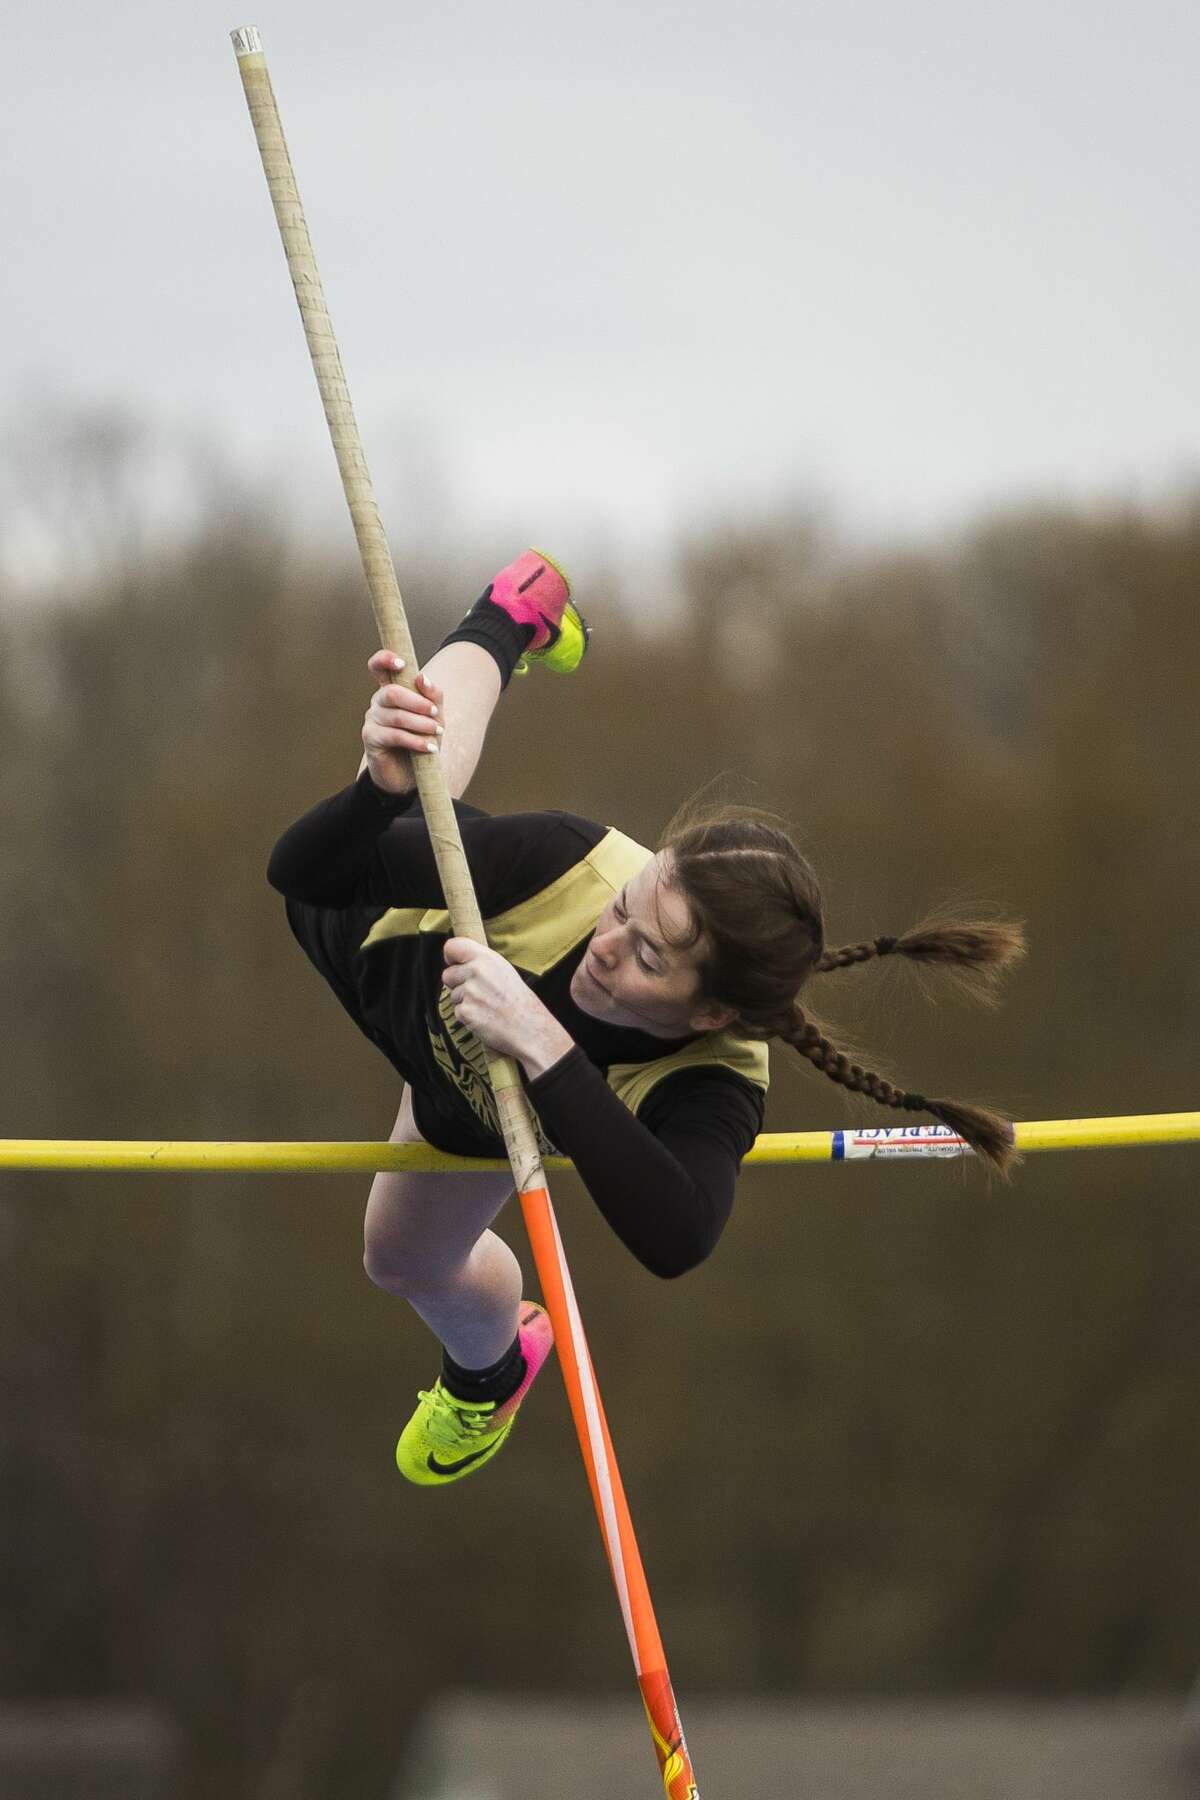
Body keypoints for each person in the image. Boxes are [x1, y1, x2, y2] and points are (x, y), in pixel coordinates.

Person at [267, 551, 1024, 1489]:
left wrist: (543, 1048)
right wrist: (374, 792)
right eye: (631, 907)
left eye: (650, 956)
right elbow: (301, 873)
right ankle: (511, 615)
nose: (610, 941)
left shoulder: (715, 1079)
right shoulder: (570, 866)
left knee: (400, 1257)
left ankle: (491, 1368)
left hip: (461, 1097)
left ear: (710, 1011)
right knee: (421, 777)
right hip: (372, 933)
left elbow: (678, 1236)